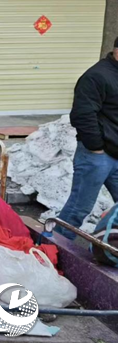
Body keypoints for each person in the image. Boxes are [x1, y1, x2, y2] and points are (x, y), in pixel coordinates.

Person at [59, 37, 118, 240]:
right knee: (78, 209)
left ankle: (111, 245)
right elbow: (82, 115)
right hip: (97, 155)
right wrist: (96, 147)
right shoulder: (96, 76)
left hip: (115, 153)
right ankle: (53, 251)